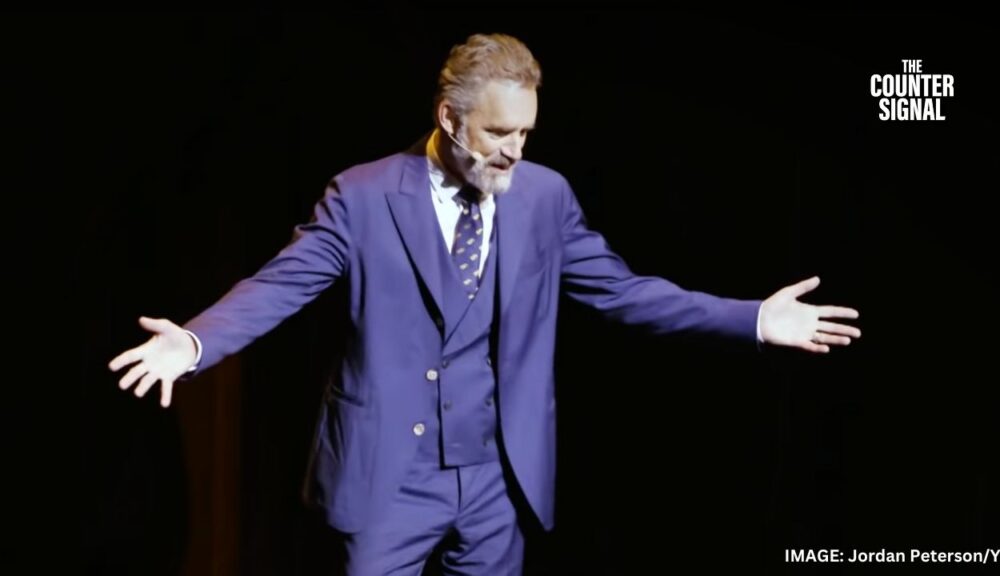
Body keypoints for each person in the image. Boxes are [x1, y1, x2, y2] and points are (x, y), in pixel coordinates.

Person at [109, 33, 861, 575]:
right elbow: (283, 282)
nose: (514, 152)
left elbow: (625, 292)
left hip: (499, 479)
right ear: (447, 119)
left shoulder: (543, 198)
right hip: (389, 477)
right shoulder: (364, 196)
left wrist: (753, 318)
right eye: (498, 133)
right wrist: (197, 342)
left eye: (526, 133)